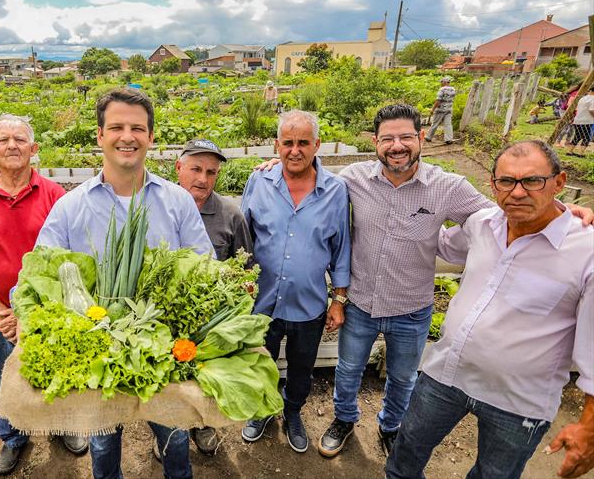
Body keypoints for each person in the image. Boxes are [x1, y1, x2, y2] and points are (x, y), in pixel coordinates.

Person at [254, 105, 594, 459]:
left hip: (411, 309)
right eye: (387, 138)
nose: (396, 145)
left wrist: (562, 211)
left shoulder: (447, 187)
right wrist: (275, 166)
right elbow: (307, 174)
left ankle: (389, 426)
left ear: (421, 138)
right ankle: (344, 419)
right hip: (362, 304)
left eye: (405, 137)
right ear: (375, 142)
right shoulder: (353, 179)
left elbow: (503, 209)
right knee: (349, 370)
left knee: (402, 379)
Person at [387, 140, 593, 479]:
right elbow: (440, 245)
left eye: (532, 181)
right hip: (447, 374)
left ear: (559, 182)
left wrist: (589, 427)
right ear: (493, 185)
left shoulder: (585, 251)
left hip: (517, 401)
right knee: (406, 451)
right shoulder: (483, 223)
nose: (517, 192)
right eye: (506, 181)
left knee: (494, 474)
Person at [35, 88, 213, 479]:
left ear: (151, 137)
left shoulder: (177, 201)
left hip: (164, 348)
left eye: (137, 128)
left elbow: (204, 267)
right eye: (116, 127)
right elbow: (41, 272)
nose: (127, 136)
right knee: (102, 441)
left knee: (175, 437)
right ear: (100, 136)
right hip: (96, 349)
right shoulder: (70, 206)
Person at [0, 114, 87, 475]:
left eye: (19, 139)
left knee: (58, 371)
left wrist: (33, 313)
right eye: (3, 139)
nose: (12, 145)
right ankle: (13, 438)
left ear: (34, 149)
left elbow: (69, 260)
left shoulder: (55, 195)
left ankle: (64, 428)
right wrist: (2, 312)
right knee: (6, 380)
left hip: (48, 314)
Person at [240, 109, 351, 454]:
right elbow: (244, 236)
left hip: (309, 303)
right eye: (288, 143)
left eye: (304, 142)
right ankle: (262, 411)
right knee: (260, 362)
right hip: (262, 300)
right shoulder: (259, 181)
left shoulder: (335, 191)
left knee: (303, 369)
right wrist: (239, 279)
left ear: (317, 145)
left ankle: (292, 413)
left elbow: (341, 246)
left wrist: (339, 298)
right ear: (277, 145)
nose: (295, 150)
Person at [171, 137, 254, 456]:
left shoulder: (231, 215)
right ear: (179, 168)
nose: (203, 179)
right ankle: (170, 429)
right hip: (168, 317)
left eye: (211, 172)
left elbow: (246, 268)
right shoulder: (159, 207)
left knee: (204, 379)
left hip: (210, 323)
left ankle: (204, 425)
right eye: (195, 169)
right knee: (171, 383)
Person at [425, 76, 456, 144]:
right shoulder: (453, 89)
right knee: (448, 124)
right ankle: (448, 139)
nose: (440, 83)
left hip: (440, 109)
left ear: (444, 82)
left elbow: (438, 101)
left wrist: (432, 109)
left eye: (441, 82)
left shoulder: (442, 89)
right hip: (449, 109)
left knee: (435, 123)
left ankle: (428, 137)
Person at [566, 88, 594, 157]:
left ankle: (569, 151)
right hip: (587, 121)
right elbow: (591, 110)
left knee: (577, 136)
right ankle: (580, 153)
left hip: (578, 120)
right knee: (586, 137)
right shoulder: (593, 99)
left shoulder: (582, 98)